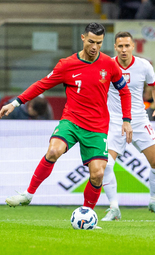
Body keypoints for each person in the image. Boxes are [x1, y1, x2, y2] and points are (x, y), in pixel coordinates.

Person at [1, 23, 132, 215]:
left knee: (97, 174)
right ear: (82, 38)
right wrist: (15, 103)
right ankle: (28, 194)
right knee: (54, 151)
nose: (95, 46)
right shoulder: (67, 64)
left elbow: (124, 91)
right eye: (91, 41)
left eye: (99, 43)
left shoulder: (109, 64)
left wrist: (126, 119)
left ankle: (86, 215)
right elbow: (41, 85)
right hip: (71, 121)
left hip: (97, 127)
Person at [101, 31, 155, 221]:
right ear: (115, 47)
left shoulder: (144, 65)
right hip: (114, 122)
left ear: (132, 46)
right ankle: (114, 208)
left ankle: (154, 202)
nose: (123, 49)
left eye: (127, 46)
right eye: (120, 46)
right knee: (107, 165)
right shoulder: (107, 65)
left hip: (139, 120)